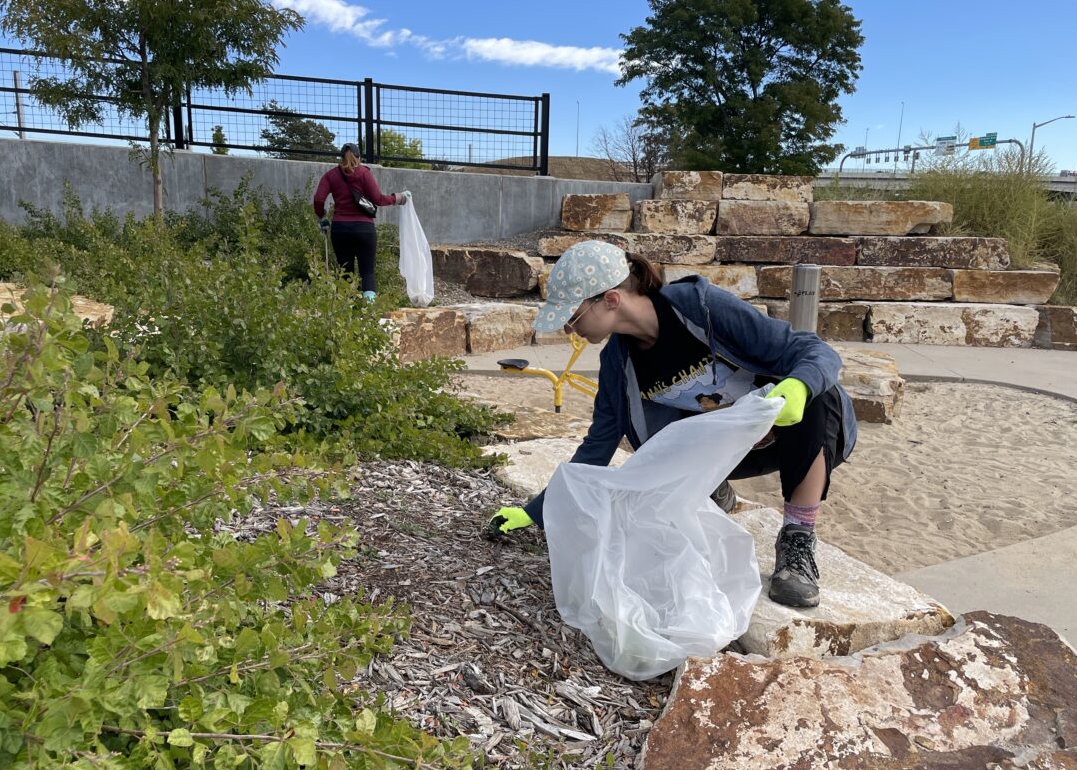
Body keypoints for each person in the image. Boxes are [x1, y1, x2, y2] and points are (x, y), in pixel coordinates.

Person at [487, 241, 858, 608]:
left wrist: (798, 386)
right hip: (723, 451)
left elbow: (816, 352)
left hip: (788, 435)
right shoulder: (618, 363)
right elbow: (597, 447)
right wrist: (536, 511)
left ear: (611, 299)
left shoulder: (701, 307)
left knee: (820, 394)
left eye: (573, 316)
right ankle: (714, 488)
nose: (570, 329)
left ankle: (797, 538)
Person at [312, 143, 411, 302]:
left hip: (340, 230)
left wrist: (322, 218)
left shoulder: (330, 175)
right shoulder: (364, 173)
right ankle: (369, 310)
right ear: (359, 157)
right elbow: (378, 199)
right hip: (364, 229)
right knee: (367, 272)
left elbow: (318, 199)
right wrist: (398, 198)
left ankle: (347, 310)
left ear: (341, 157)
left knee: (345, 271)